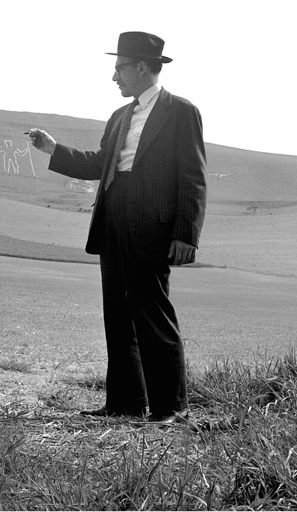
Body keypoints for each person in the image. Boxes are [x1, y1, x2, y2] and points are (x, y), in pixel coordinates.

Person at [28, 31, 207, 425]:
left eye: (119, 69)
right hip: (113, 221)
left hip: (154, 228)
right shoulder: (119, 117)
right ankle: (125, 404)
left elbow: (193, 175)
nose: (115, 78)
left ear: (142, 67)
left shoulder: (181, 112)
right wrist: (53, 149)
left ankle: (171, 408)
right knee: (118, 315)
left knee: (153, 315)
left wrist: (186, 233)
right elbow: (99, 163)